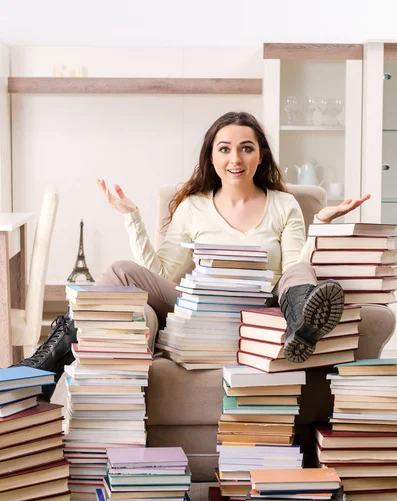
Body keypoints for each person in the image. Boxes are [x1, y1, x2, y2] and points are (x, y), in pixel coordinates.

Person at [16, 111, 370, 389]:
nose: (236, 158)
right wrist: (132, 218)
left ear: (260, 156)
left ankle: (301, 330)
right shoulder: (192, 206)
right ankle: (52, 359)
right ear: (212, 156)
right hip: (202, 310)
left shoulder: (284, 204)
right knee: (120, 270)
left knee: (299, 272)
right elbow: (164, 274)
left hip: (264, 310)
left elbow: (295, 264)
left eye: (247, 147)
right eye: (225, 148)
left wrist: (320, 225)